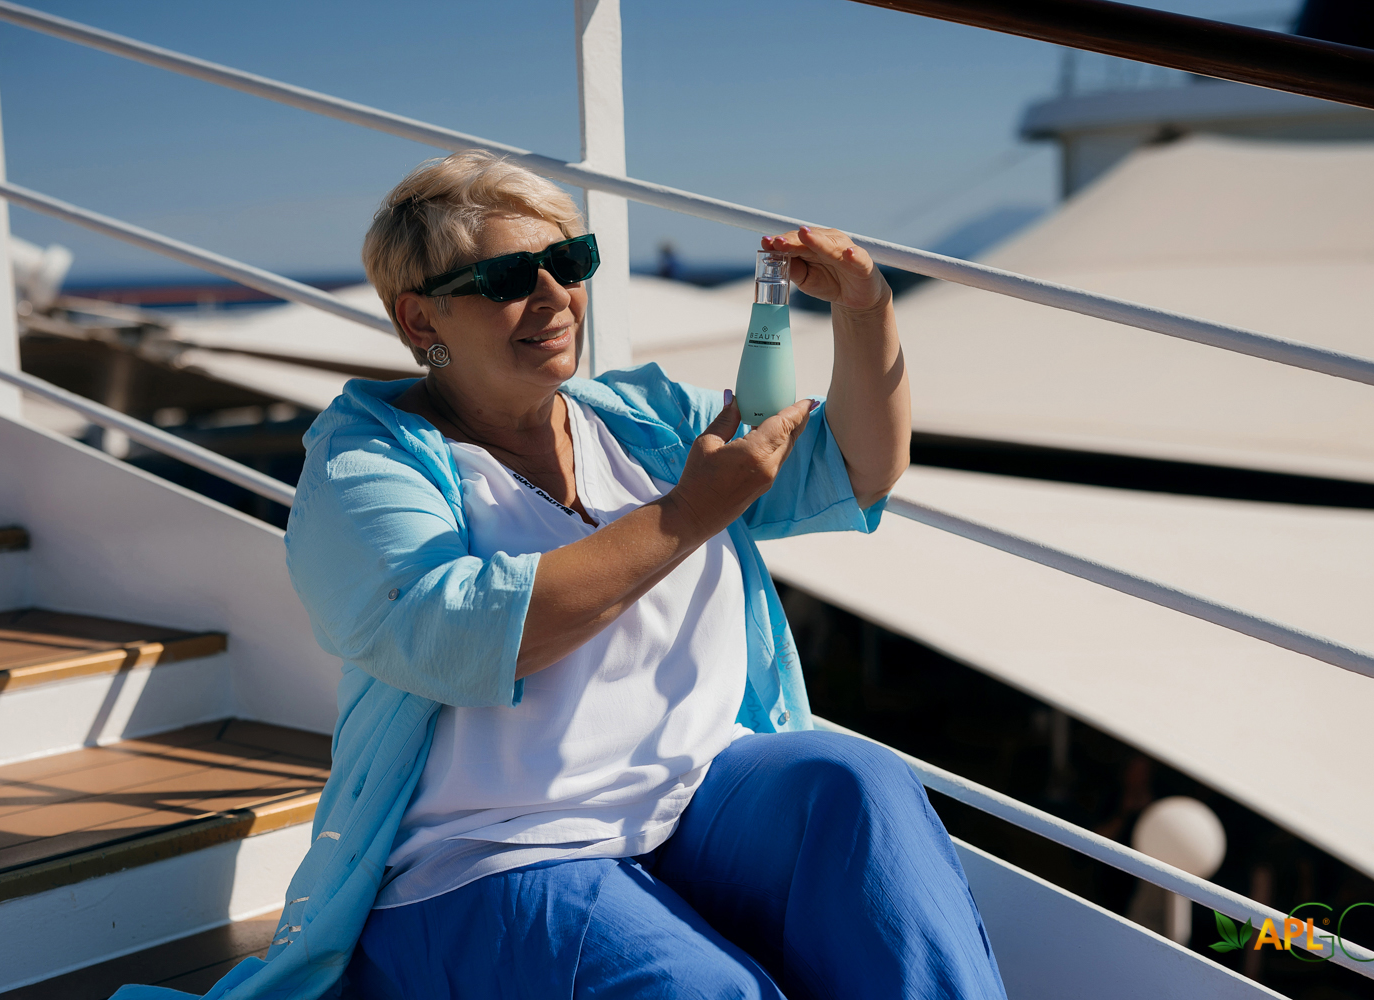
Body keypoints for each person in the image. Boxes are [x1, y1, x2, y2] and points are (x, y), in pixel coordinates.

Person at [121, 149, 1006, 1000]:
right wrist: (685, 515)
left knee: (858, 783)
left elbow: (858, 466)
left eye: (569, 262)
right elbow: (454, 635)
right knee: (709, 992)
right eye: (509, 278)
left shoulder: (642, 421)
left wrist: (865, 309)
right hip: (492, 848)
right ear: (421, 322)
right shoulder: (365, 465)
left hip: (690, 798)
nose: (553, 297)